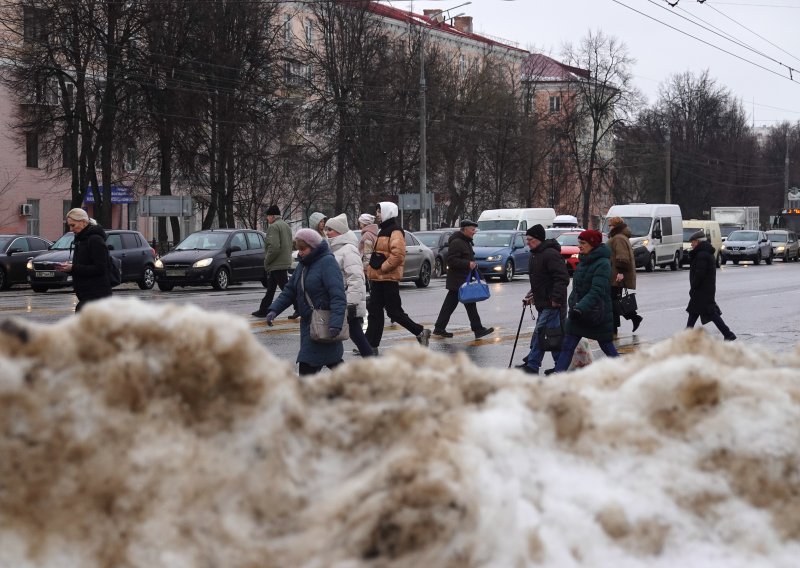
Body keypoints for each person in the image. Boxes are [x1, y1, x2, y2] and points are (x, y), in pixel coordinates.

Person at [266, 228, 347, 375]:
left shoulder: (328, 262)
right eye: (298, 249)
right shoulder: (304, 265)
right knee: (332, 362)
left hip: (324, 324)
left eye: (303, 249)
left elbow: (338, 296)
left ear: (314, 247)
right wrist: (274, 310)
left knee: (308, 366)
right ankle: (355, 387)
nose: (300, 252)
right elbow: (290, 290)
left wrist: (336, 324)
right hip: (310, 326)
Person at [365, 201, 431, 351]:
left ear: (388, 212)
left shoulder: (395, 231)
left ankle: (420, 332)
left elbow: (398, 255)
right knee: (375, 312)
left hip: (388, 279)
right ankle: (370, 344)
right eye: (377, 211)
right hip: (378, 279)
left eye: (380, 211)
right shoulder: (383, 230)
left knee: (394, 312)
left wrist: (382, 268)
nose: (377, 214)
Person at [552, 230, 619, 373]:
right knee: (567, 346)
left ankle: (625, 373)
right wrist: (572, 303)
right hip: (578, 312)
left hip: (597, 314)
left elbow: (597, 290)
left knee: (607, 347)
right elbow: (577, 287)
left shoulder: (603, 263)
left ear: (593, 244)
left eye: (583, 243)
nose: (579, 246)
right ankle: (558, 376)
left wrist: (580, 307)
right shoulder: (583, 259)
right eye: (579, 243)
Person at [517, 224, 570, 375]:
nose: (528, 242)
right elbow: (539, 281)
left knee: (543, 333)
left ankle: (533, 365)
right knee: (551, 335)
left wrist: (555, 299)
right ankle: (560, 367)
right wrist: (530, 296)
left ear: (539, 239)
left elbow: (562, 278)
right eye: (527, 239)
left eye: (530, 239)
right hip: (543, 302)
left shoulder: (550, 254)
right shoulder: (535, 254)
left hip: (551, 303)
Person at [432, 219, 494, 339]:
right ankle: (477, 329)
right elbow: (451, 260)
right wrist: (467, 264)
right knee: (465, 304)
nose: (474, 232)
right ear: (465, 229)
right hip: (458, 280)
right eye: (472, 229)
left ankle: (440, 328)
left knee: (457, 305)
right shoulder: (457, 242)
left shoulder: (465, 241)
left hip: (462, 279)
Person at [324, 213, 374, 357]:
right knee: (351, 336)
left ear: (339, 231)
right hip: (338, 300)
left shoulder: (348, 250)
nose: (327, 233)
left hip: (347, 302)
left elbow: (356, 278)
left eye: (330, 229)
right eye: (326, 229)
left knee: (356, 335)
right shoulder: (335, 249)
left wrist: (351, 304)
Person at [56, 208, 112, 312]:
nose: (71, 229)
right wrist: (70, 268)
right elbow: (84, 264)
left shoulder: (95, 240)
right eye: (69, 225)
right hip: (87, 295)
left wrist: (73, 267)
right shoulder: (81, 240)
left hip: (97, 296)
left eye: (73, 225)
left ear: (83, 222)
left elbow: (100, 268)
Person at [686, 230, 736, 340]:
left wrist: (694, 286)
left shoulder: (702, 254)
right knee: (695, 312)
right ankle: (728, 334)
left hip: (702, 290)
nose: (691, 244)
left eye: (693, 242)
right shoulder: (704, 252)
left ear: (698, 242)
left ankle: (728, 334)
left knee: (709, 312)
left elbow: (699, 273)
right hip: (704, 290)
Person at [252, 205, 293, 318]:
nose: (267, 219)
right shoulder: (286, 225)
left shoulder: (273, 227)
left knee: (286, 289)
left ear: (272, 216)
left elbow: (274, 247)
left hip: (276, 263)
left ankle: (300, 307)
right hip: (283, 261)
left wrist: (267, 260)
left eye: (268, 216)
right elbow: (290, 243)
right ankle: (263, 309)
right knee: (270, 289)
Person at [607, 216, 643, 334]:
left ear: (615, 226)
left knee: (613, 302)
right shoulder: (620, 237)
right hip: (616, 274)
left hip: (616, 275)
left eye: (610, 225)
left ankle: (616, 326)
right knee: (615, 301)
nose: (609, 227)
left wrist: (620, 273)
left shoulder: (618, 238)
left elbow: (622, 258)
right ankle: (629, 320)